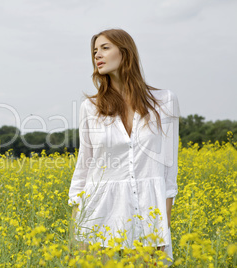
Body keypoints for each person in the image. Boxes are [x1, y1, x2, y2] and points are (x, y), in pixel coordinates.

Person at [68, 29, 180, 265]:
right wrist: (77, 227)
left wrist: (163, 228)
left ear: (125, 52)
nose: (97, 55)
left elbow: (169, 173)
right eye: (95, 51)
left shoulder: (165, 101)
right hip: (99, 213)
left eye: (105, 48)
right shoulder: (91, 107)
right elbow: (84, 166)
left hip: (148, 215)